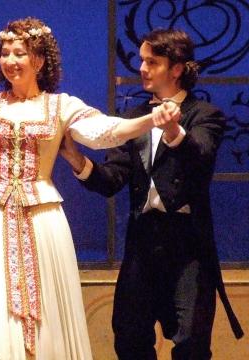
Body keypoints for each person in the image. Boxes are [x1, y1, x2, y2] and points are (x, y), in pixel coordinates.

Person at [0, 17, 179, 360]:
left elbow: (105, 133)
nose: (10, 61)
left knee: (42, 308)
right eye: (5, 53)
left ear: (39, 60)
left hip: (40, 216)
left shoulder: (60, 106)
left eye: (19, 53)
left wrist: (149, 120)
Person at [60, 29, 244, 359]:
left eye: (152, 62)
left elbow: (200, 155)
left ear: (175, 69)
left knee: (190, 342)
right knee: (129, 338)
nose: (142, 68)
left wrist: (173, 129)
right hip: (143, 241)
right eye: (142, 60)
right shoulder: (134, 118)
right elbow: (112, 179)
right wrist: (77, 160)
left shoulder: (205, 114)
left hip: (188, 245)